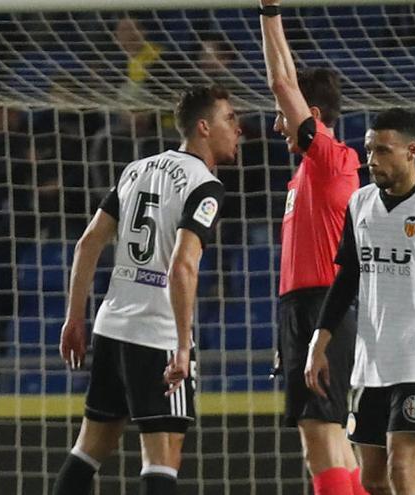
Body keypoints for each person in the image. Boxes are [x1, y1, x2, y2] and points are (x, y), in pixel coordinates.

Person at [54, 85, 241, 495]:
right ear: (204, 127)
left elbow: (88, 243)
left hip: (111, 327)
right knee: (164, 455)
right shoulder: (205, 186)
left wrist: (74, 318)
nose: (238, 129)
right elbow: (183, 265)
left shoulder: (135, 169)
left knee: (89, 447)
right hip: (156, 335)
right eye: (230, 119)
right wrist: (182, 344)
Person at [305, 108, 415, 494]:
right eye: (369, 150)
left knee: (403, 472)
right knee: (372, 480)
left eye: (383, 151)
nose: (372, 160)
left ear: (411, 152)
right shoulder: (360, 203)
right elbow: (347, 278)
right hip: (370, 365)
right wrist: (318, 344)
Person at [258, 2, 364, 494]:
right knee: (331, 435)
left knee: (319, 434)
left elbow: (283, 82)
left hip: (322, 303)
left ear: (312, 115)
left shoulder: (327, 158)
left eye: (285, 117)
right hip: (306, 304)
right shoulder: (308, 171)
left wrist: (269, 11)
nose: (279, 125)